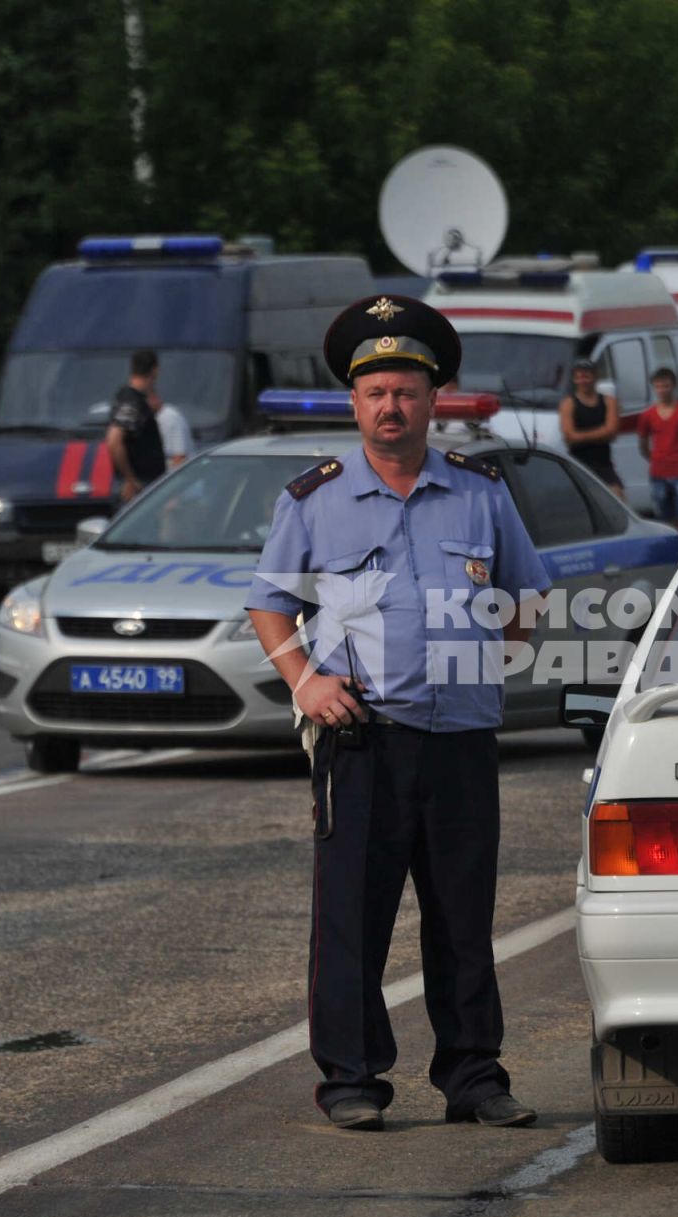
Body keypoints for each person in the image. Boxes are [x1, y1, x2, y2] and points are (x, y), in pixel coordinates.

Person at [245, 295, 551, 1134]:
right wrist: (305, 680)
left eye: (407, 390)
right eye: (376, 390)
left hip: (458, 740)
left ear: (433, 399)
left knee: (462, 915)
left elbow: (528, 597)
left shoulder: (481, 493)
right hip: (362, 741)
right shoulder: (317, 498)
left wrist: (496, 662)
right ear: (355, 402)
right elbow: (269, 604)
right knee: (353, 917)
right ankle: (352, 1077)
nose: (392, 406)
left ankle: (474, 1077)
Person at [632, 366, 678, 542]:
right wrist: (654, 458)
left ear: (674, 386)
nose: (662, 390)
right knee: (665, 524)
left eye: (666, 386)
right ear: (654, 388)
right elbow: (642, 444)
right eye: (659, 386)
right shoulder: (647, 415)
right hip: (658, 472)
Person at [106, 350, 167, 501]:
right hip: (139, 485)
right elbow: (114, 441)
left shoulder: (135, 399)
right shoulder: (131, 401)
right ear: (155, 370)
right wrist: (130, 478)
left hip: (145, 482)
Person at [559, 358, 623, 498]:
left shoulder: (608, 401)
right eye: (579, 377)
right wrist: (601, 433)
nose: (583, 380)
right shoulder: (568, 403)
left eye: (587, 376)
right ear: (574, 379)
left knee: (618, 499)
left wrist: (580, 436)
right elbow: (569, 436)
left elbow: (612, 431)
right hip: (578, 465)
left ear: (595, 377)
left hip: (604, 466)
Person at [149, 390, 194, 470]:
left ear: (154, 398)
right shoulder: (154, 417)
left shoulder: (171, 417)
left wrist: (166, 481)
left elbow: (180, 457)